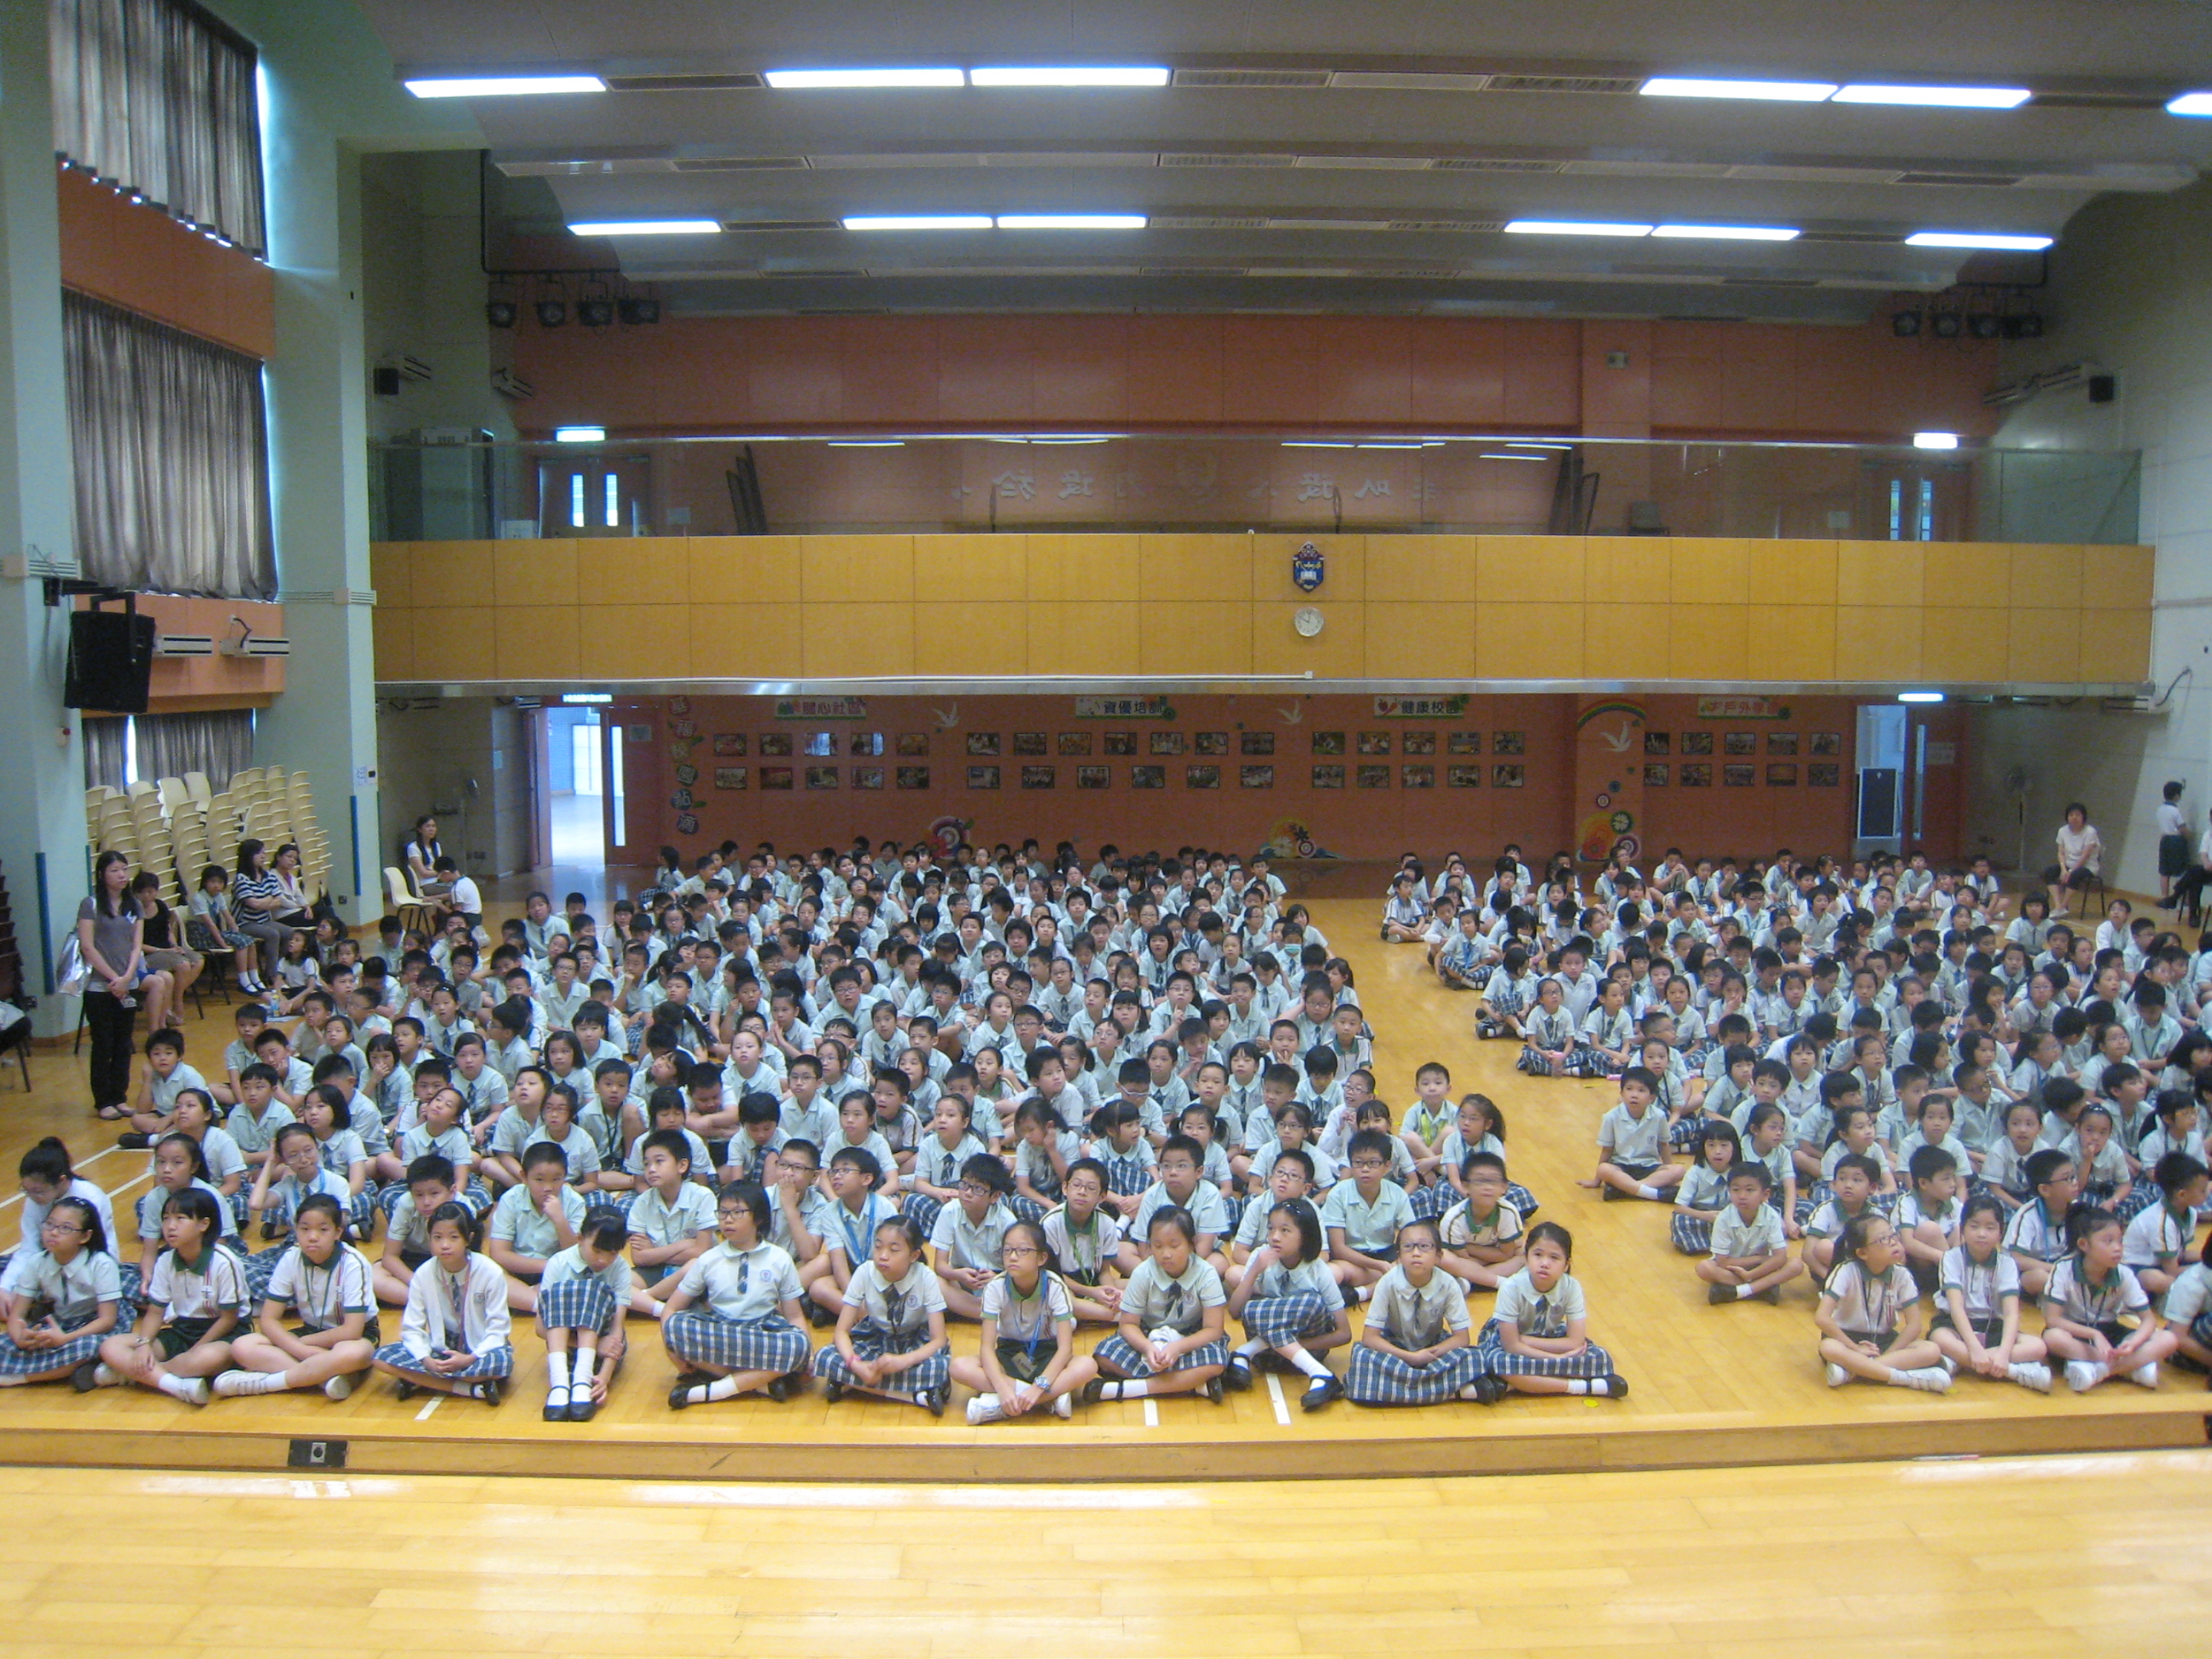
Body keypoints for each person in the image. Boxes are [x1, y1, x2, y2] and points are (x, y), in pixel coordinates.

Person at [85, 1187, 245, 1405]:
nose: (170, 1226)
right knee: (110, 1346)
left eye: (180, 1218)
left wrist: (197, 1348)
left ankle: (130, 1375)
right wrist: (143, 1345)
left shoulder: (224, 1261)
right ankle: (176, 1384)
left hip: (223, 1334)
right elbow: (155, 1312)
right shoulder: (166, 1260)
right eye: (166, 1218)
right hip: (182, 1331)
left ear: (203, 1224)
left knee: (204, 1359)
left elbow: (229, 1318)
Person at [212, 1194, 377, 1399]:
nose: (313, 1236)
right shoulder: (291, 1257)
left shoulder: (354, 1263)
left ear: (338, 1232)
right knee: (242, 1346)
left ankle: (267, 1383)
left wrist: (301, 1346)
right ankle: (325, 1378)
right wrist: (300, 1349)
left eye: (323, 1229)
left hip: (350, 1337)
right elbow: (268, 1319)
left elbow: (352, 1330)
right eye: (305, 1229)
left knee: (355, 1353)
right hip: (310, 1334)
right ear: (295, 1230)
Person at [662, 1179, 810, 1408]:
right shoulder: (709, 1259)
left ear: (758, 1218)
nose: (728, 1219)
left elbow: (795, 1317)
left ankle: (712, 1389)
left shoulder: (780, 1258)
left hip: (762, 1331)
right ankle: (761, 1382)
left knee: (798, 1345)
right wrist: (671, 1349)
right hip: (721, 1329)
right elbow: (672, 1308)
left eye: (737, 1212)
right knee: (674, 1326)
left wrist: (805, 1356)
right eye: (723, 1213)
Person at [952, 1218, 1096, 1423]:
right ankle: (1049, 1400)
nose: (1013, 1257)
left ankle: (1000, 1406)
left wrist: (1039, 1386)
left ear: (1041, 1258)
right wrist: (1002, 1388)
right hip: (1009, 1352)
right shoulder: (995, 1287)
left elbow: (1065, 1350)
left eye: (1022, 1251)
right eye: (1007, 1250)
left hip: (1048, 1352)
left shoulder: (1056, 1286)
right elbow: (986, 1348)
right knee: (959, 1367)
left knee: (1088, 1365)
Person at [370, 1201, 514, 1403]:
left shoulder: (490, 1272)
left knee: (500, 1364)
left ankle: (418, 1380)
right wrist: (426, 1359)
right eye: (437, 1238)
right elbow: (412, 1327)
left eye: (453, 1237)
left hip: (478, 1347)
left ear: (468, 1238)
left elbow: (499, 1329)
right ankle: (470, 1389)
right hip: (440, 1349)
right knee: (381, 1358)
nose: (445, 1245)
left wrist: (470, 1358)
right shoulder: (423, 1274)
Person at [1084, 1206, 1230, 1404]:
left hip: (1190, 1336)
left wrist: (1178, 1348)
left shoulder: (1206, 1274)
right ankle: (1190, 1384)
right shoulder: (1143, 1272)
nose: (1165, 1254)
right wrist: (1147, 1348)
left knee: (1217, 1359)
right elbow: (1128, 1324)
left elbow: (1213, 1330)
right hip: (1149, 1332)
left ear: (1192, 1243)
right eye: (1158, 1246)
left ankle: (1128, 1389)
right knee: (1104, 1355)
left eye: (1174, 1245)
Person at [812, 1214, 951, 1414]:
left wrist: (902, 1361)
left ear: (914, 1256)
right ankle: (917, 1395)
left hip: (913, 1341)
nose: (883, 1255)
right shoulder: (864, 1272)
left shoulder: (926, 1277)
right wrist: (856, 1365)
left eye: (894, 1250)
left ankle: (849, 1384)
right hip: (875, 1337)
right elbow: (841, 1332)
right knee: (825, 1356)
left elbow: (939, 1339)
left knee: (940, 1366)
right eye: (878, 1247)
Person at [1472, 1221, 1627, 1399]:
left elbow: (1575, 1341)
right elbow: (1511, 1345)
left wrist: (1528, 1342)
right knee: (1500, 1362)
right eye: (1538, 1255)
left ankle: (1519, 1384)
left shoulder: (1571, 1287)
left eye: (1554, 1258)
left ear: (1566, 1264)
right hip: (1508, 1345)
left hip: (1546, 1338)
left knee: (1599, 1356)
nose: (1545, 1263)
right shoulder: (1511, 1287)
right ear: (1526, 1257)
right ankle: (1583, 1387)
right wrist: (1554, 1359)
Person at [1344, 1219, 1485, 1406]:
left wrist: (1429, 1354)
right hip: (1395, 1349)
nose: (1416, 1253)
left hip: (1434, 1350)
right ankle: (1449, 1391)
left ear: (1438, 1256)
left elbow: (1461, 1338)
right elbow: (1370, 1337)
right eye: (1408, 1247)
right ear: (1399, 1256)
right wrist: (1411, 1357)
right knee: (1363, 1356)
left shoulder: (1449, 1284)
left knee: (1474, 1357)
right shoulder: (1387, 1282)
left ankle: (1393, 1392)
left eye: (1424, 1246)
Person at [1813, 1212, 1949, 1392]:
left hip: (1884, 1340)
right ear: (1862, 1253)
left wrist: (1890, 1352)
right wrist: (1855, 1348)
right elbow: (1822, 1318)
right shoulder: (1845, 1271)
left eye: (1893, 1235)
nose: (1893, 1242)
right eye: (1883, 1239)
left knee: (1931, 1350)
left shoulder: (1902, 1274)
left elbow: (1914, 1325)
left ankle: (1854, 1372)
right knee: (1829, 1347)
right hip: (1848, 1339)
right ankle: (1904, 1379)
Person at [0, 1196, 123, 1388]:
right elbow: (17, 1313)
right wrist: (20, 1337)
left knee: (89, 1347)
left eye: (65, 1228)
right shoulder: (37, 1262)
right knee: (7, 1344)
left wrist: (65, 1339)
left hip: (94, 1324)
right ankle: (74, 1369)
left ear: (85, 1236)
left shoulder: (101, 1263)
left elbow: (107, 1320)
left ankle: (19, 1378)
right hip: (60, 1321)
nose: (53, 1233)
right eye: (49, 1224)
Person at [79, 849, 157, 1121]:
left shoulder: (134, 904)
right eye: (115, 870)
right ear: (102, 875)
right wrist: (114, 978)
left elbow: (137, 945)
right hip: (100, 987)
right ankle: (103, 1100)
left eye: (124, 869)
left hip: (128, 982)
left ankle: (119, 1096)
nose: (122, 874)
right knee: (104, 1043)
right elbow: (88, 946)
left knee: (124, 1043)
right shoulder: (90, 905)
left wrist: (126, 978)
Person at [230, 838, 306, 984]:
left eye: (264, 853)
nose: (263, 856)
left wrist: (263, 901)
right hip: (245, 923)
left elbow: (278, 901)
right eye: (259, 853)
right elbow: (253, 903)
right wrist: (269, 899)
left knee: (290, 932)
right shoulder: (241, 879)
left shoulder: (268, 876)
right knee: (272, 934)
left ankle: (279, 969)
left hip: (264, 920)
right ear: (248, 855)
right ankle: (272, 976)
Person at [2044, 802, 2102, 919]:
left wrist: (2071, 872)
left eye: (2078, 815)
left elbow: (2085, 856)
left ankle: (2063, 907)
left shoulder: (2090, 832)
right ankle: (2058, 905)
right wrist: (2064, 869)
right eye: (2071, 815)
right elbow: (2061, 852)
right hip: (2068, 864)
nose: (2074, 818)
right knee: (2049, 872)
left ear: (2083, 817)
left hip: (2087, 866)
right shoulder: (2062, 831)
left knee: (2075, 876)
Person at [402, 816, 446, 896]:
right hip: (426, 885)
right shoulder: (413, 847)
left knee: (462, 885)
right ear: (419, 830)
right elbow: (424, 873)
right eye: (427, 826)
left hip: (439, 882)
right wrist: (440, 873)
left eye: (433, 826)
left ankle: (446, 908)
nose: (431, 829)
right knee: (458, 890)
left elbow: (440, 867)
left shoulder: (436, 845)